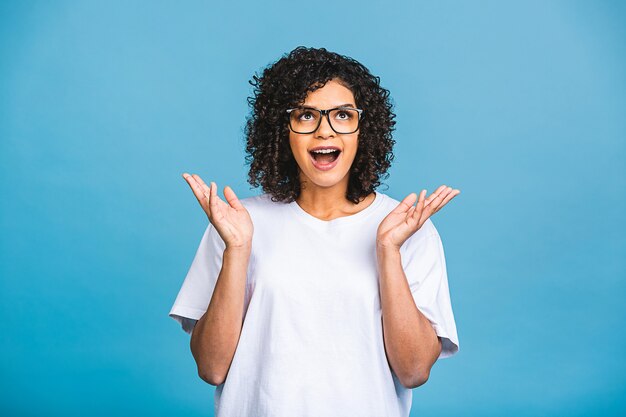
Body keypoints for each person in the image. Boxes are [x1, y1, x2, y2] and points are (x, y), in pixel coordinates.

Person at [169, 46, 460, 417]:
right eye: (306, 115)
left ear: (363, 129)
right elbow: (211, 368)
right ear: (282, 130)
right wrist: (237, 250)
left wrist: (388, 250)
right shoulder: (237, 225)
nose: (325, 130)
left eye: (342, 114)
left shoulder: (406, 228)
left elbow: (415, 370)